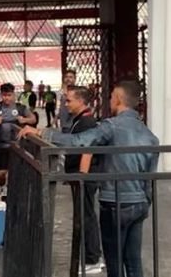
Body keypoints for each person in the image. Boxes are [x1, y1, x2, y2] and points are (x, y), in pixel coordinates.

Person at [19, 81, 159, 277]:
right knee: (133, 260)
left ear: (118, 99)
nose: (109, 100)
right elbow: (150, 176)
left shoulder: (112, 127)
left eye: (111, 97)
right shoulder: (148, 134)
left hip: (115, 202)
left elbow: (80, 141)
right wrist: (146, 202)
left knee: (115, 261)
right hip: (139, 202)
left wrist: (42, 131)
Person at [64, 86, 104, 275]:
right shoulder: (80, 120)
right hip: (81, 177)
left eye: (69, 100)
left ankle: (92, 258)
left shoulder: (87, 122)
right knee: (85, 214)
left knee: (86, 215)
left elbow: (87, 149)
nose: (66, 104)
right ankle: (93, 255)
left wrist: (81, 176)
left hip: (85, 178)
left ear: (80, 101)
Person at [0, 83, 35, 201]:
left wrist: (24, 119)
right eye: (4, 95)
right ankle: (3, 187)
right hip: (1, 146)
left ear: (13, 95)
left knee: (19, 172)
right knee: (0, 174)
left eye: (9, 95)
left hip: (17, 146)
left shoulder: (20, 108)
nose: (6, 98)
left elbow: (33, 118)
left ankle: (16, 191)